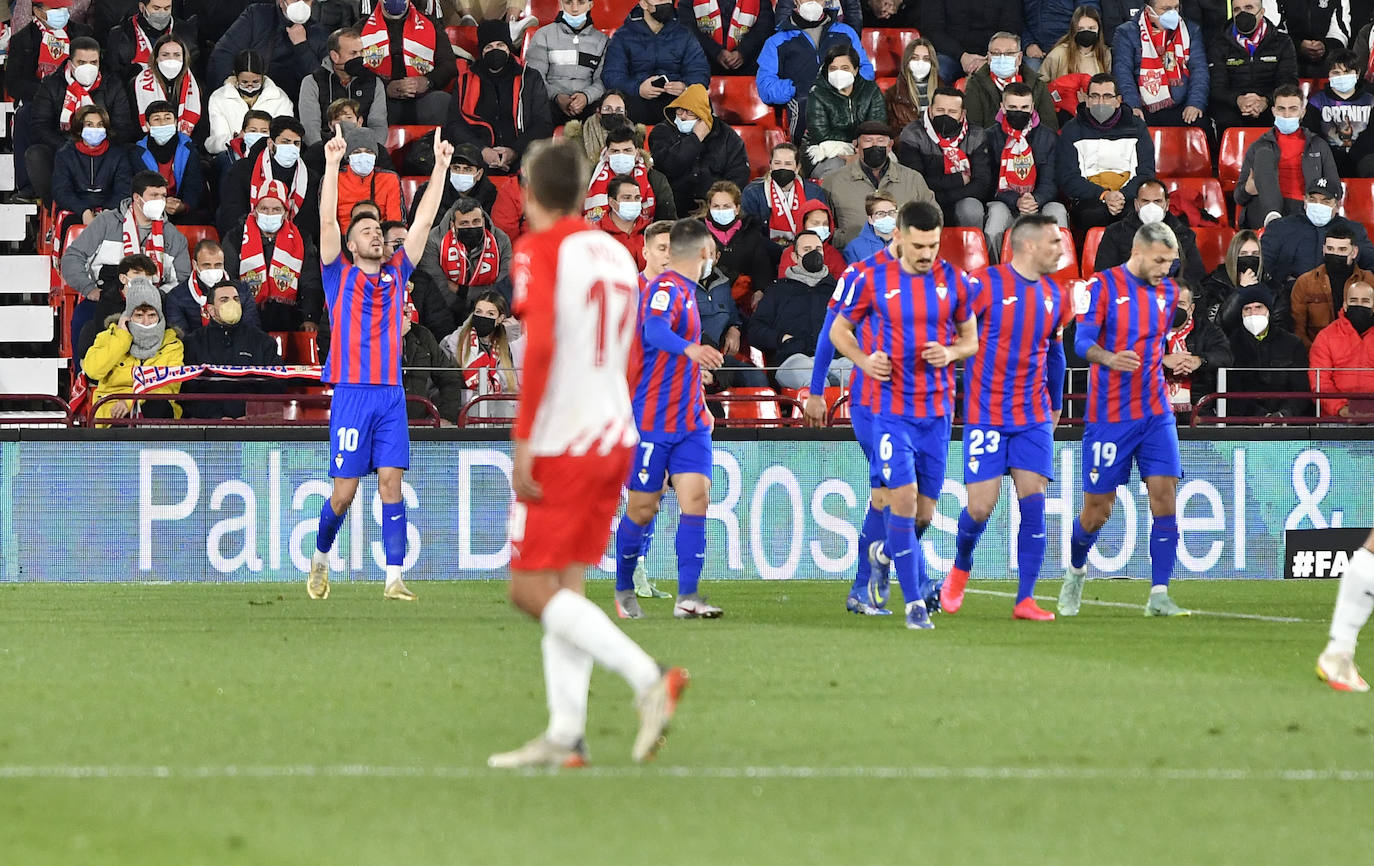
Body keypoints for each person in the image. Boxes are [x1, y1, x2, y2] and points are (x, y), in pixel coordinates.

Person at [487, 140, 689, 771]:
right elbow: (630, 355)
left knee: (528, 589)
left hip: (564, 439)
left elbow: (540, 345)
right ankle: (566, 734)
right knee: (566, 585)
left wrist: (524, 437)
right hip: (614, 432)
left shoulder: (539, 249)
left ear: (528, 188)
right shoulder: (616, 253)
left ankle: (648, 674)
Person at [306, 124, 453, 603]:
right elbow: (327, 222)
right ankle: (321, 557)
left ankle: (393, 578)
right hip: (351, 394)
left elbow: (426, 222)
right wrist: (330, 165)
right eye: (366, 231)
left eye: (379, 231)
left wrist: (442, 169)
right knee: (343, 495)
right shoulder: (337, 275)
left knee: (392, 483)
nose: (376, 236)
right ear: (350, 244)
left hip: (390, 395)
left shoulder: (397, 274)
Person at [830, 200, 979, 630]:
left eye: (933, 245)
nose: (926, 254)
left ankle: (884, 551)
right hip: (889, 411)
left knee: (923, 515)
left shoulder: (953, 281)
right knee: (903, 499)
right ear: (899, 235)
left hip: (937, 414)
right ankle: (914, 605)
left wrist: (950, 351)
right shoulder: (871, 278)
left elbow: (971, 340)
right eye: (918, 245)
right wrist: (862, 359)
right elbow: (839, 330)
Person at [1059, 220, 1190, 618]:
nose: (1166, 269)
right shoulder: (1101, 286)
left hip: (1154, 411)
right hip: (1109, 416)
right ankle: (1076, 572)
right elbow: (1081, 342)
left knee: (1165, 497)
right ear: (1139, 251)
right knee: (1098, 509)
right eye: (1160, 260)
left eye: (1171, 261)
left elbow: (1153, 343)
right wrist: (1110, 358)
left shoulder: (1168, 293)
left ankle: (1159, 595)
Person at [940, 214, 1069, 620]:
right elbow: (954, 334)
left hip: (1032, 416)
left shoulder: (1056, 295)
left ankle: (1025, 599)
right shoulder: (985, 285)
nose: (1061, 249)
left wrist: (1055, 401)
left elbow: (1055, 353)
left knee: (1034, 502)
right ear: (1028, 245)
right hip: (987, 414)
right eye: (1053, 242)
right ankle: (960, 569)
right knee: (980, 508)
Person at [612, 219, 727, 621]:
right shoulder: (664, 289)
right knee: (643, 509)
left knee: (696, 500)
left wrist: (697, 386)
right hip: (653, 422)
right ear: (702, 254)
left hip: (691, 421)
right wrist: (691, 351)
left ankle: (688, 597)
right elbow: (655, 331)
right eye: (711, 252)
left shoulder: (687, 292)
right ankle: (624, 587)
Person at [61, 171, 191, 348]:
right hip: (107, 295)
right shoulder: (106, 223)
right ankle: (84, 373)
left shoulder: (173, 236)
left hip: (156, 302)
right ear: (137, 198)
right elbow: (73, 257)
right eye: (154, 195)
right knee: (84, 323)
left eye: (163, 196)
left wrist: (155, 297)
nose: (160, 201)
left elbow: (181, 279)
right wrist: (89, 288)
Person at [23, 36, 138, 202]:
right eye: (82, 62)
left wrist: (99, 146)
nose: (88, 68)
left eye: (93, 62)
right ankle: (55, 206)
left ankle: (116, 206)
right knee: (36, 154)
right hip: (64, 149)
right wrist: (70, 147)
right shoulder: (52, 84)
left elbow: (123, 126)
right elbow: (40, 126)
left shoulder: (112, 84)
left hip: (105, 150)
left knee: (132, 152)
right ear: (70, 63)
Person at [443, 19, 555, 174]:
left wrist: (514, 151)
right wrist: (482, 151)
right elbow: (454, 125)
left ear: (509, 48)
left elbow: (543, 124)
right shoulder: (466, 80)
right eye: (489, 47)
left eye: (500, 45)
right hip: (477, 157)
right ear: (481, 52)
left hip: (523, 156)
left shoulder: (529, 77)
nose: (495, 50)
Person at [755, 0, 870, 143]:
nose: (812, 1)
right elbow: (766, 87)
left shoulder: (846, 33)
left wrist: (845, 81)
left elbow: (866, 71)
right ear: (795, 1)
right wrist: (798, 87)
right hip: (803, 113)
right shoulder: (777, 41)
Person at [222, 180, 326, 332]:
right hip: (246, 315)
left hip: (290, 317)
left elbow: (311, 282)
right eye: (264, 208)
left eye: (276, 209)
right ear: (255, 210)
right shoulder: (236, 237)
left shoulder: (302, 239)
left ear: (285, 213)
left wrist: (309, 317)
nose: (269, 214)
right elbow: (229, 280)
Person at [1056, 73, 1155, 228]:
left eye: (1107, 96)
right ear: (1086, 100)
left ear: (1118, 101)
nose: (1100, 102)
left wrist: (1121, 195)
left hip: (1128, 197)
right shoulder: (1071, 130)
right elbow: (1068, 178)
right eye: (1095, 96)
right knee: (1093, 214)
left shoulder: (1137, 127)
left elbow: (1146, 173)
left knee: (1134, 215)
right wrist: (1104, 195)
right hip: (1089, 199)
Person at [749, 230, 845, 388]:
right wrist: (782, 338)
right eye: (807, 250)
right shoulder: (777, 291)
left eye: (818, 249)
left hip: (836, 358)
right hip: (793, 359)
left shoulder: (838, 291)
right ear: (794, 257)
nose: (814, 254)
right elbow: (755, 330)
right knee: (817, 383)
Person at [1235, 85, 1341, 229]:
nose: (1286, 115)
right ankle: (1272, 216)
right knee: (1264, 153)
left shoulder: (1318, 145)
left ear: (1302, 112)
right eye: (1281, 109)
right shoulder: (1259, 146)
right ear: (1273, 111)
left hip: (1305, 208)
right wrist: (1248, 189)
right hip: (1263, 209)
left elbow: (1336, 190)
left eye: (1293, 109)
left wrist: (1316, 201)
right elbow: (1239, 197)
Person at [81, 277, 184, 424]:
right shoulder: (108, 337)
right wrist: (122, 338)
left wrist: (130, 402)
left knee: (158, 406)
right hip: (113, 409)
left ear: (160, 316)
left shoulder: (172, 343)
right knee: (120, 418)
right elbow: (93, 371)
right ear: (128, 316)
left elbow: (167, 388)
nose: (146, 322)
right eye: (139, 315)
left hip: (155, 409)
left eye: (152, 315)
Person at [984, 81, 1069, 260]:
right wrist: (1017, 201)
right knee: (995, 220)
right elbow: (988, 182)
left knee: (1058, 211)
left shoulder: (1048, 137)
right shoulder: (990, 136)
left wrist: (1035, 200)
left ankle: (1059, 273)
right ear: (1003, 107)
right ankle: (995, 274)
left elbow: (1051, 180)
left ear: (1032, 108)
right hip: (1004, 202)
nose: (1019, 112)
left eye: (1024, 107)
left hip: (1040, 203)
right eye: (1013, 107)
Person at [180, 281, 285, 419]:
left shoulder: (262, 341)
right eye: (224, 300)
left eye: (236, 299)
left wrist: (252, 415)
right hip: (208, 426)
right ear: (211, 310)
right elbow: (188, 389)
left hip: (253, 425)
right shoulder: (193, 343)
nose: (232, 304)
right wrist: (216, 417)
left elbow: (276, 384)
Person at [823, 120, 933, 248]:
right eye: (868, 140)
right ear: (856, 146)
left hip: (903, 256)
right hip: (852, 258)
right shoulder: (833, 182)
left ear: (890, 145)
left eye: (881, 140)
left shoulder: (913, 179)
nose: (875, 145)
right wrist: (847, 240)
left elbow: (933, 216)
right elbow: (822, 225)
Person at [896, 87, 994, 229]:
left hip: (962, 198)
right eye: (940, 110)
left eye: (952, 112)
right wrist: (958, 180)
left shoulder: (976, 135)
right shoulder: (913, 134)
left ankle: (970, 249)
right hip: (925, 199)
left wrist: (944, 195)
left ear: (962, 114)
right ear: (930, 110)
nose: (945, 116)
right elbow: (916, 182)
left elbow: (981, 184)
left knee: (971, 209)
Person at [602, 0, 710, 125]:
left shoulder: (685, 33)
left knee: (699, 106)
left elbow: (700, 71)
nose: (666, 3)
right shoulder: (623, 36)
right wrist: (638, 89)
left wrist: (685, 86)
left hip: (676, 100)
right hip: (636, 100)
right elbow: (612, 75)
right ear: (644, 4)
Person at [218, 116, 322, 244]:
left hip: (295, 245)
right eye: (285, 142)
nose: (291, 147)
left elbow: (310, 221)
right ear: (270, 143)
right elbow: (232, 212)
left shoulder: (309, 178)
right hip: (248, 242)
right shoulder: (243, 170)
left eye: (296, 143)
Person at [648, 83, 749, 213]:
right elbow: (666, 167)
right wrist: (695, 139)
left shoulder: (727, 136)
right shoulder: (662, 131)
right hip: (672, 206)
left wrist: (718, 204)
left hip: (714, 208)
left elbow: (738, 174)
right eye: (679, 110)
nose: (683, 116)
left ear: (703, 115)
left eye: (690, 112)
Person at [1261, 177, 1374, 291]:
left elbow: (1371, 264)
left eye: (1326, 201)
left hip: (1340, 297)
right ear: (1305, 200)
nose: (1318, 205)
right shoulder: (1280, 227)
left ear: (1337, 205)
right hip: (1288, 296)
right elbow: (1263, 264)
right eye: (1313, 199)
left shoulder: (1354, 230)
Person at [1112, 0, 1209, 128]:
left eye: (1176, 8)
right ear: (1148, 10)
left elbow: (1199, 70)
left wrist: (1195, 103)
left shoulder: (1190, 30)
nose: (1173, 13)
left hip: (1182, 106)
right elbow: (1123, 73)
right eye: (1166, 9)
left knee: (1200, 124)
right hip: (1144, 107)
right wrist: (1132, 107)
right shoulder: (1127, 32)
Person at [357, 0, 455, 126]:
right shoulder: (362, 28)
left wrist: (427, 81)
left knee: (442, 101)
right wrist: (386, 87)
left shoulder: (431, 24)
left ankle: (430, 144)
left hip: (422, 98)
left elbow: (448, 64)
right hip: (382, 100)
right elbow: (355, 67)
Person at [209, 0, 329, 102]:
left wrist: (302, 46)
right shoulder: (257, 16)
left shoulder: (319, 33)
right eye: (295, 0)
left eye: (306, 0)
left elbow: (322, 83)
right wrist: (230, 97)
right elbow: (222, 55)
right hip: (249, 98)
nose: (301, 5)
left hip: (294, 107)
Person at [1094, 179, 1204, 287]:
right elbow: (1104, 275)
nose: (1151, 207)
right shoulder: (1115, 233)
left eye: (1157, 201)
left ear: (1167, 204)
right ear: (1136, 204)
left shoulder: (1184, 234)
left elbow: (1194, 278)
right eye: (1145, 201)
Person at [421, 196, 514, 321]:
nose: (471, 227)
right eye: (464, 223)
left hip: (490, 310)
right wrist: (463, 309)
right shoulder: (434, 240)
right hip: (446, 309)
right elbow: (437, 285)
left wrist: (463, 290)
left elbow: (503, 286)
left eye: (476, 221)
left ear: (483, 220)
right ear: (453, 225)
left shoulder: (501, 240)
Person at [1206, 0, 1297, 130]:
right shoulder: (1219, 43)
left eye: (1249, 8)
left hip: (1270, 103)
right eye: (1237, 10)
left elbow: (1288, 82)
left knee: (1288, 116)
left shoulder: (1282, 42)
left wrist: (1265, 101)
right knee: (1226, 120)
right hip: (1233, 105)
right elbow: (1217, 87)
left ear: (1262, 12)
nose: (1243, 13)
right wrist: (1238, 100)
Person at [1226, 283, 1312, 420]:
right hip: (1246, 423)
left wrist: (1284, 414)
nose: (1253, 313)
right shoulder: (1230, 345)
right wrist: (1260, 416)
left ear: (1268, 310)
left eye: (1258, 307)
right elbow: (1232, 392)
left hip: (1287, 422)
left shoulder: (1292, 344)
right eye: (1247, 309)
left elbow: (1301, 388)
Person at [805, 41, 886, 177]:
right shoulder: (817, 93)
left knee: (889, 165)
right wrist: (855, 144)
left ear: (855, 70)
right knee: (837, 172)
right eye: (833, 68)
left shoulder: (871, 90)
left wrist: (859, 152)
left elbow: (877, 127)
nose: (838, 73)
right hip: (827, 152)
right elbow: (822, 134)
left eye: (845, 68)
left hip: (867, 147)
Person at [299, 27, 389, 149]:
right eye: (353, 53)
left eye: (362, 52)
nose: (360, 58)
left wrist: (369, 151)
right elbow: (310, 126)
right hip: (324, 151)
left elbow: (378, 125)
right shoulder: (313, 82)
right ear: (335, 56)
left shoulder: (374, 82)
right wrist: (324, 152)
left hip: (364, 150)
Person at [51, 104, 131, 239]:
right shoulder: (65, 154)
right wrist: (84, 211)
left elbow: (124, 188)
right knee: (70, 225)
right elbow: (61, 190)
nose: (95, 129)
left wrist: (108, 211)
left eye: (100, 125)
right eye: (90, 124)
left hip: (110, 208)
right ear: (79, 129)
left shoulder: (118, 154)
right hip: (76, 208)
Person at [441, 290, 525, 410]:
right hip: (464, 413)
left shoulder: (510, 345)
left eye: (490, 314)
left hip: (503, 416)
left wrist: (516, 341)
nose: (483, 317)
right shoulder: (452, 343)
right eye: (479, 312)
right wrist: (473, 397)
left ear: (500, 319)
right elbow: (444, 386)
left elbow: (524, 384)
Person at [741, 142, 831, 253]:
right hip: (766, 253)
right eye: (777, 163)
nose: (782, 168)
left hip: (806, 252)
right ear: (770, 165)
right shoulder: (753, 192)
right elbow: (750, 234)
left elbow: (822, 227)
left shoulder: (814, 193)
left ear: (797, 167)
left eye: (788, 164)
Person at [526, 0, 609, 121]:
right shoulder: (543, 35)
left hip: (588, 104)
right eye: (568, 2)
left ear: (590, 5)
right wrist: (556, 96)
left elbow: (603, 80)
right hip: (549, 102)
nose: (575, 9)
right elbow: (535, 77)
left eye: (581, 3)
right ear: (560, 5)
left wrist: (586, 97)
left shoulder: (602, 41)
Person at [1291, 226, 1371, 347]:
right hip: (1316, 354)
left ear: (1354, 252)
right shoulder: (1305, 282)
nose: (1335, 254)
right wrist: (1318, 353)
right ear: (1323, 249)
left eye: (1342, 249)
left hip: (1360, 356)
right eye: (1330, 248)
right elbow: (1298, 330)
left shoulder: (1370, 281)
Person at [699, 181, 774, 309]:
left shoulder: (751, 233)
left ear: (737, 208)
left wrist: (760, 291)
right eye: (716, 206)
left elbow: (762, 269)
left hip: (744, 299)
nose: (721, 210)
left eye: (726, 206)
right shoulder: (697, 232)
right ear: (709, 208)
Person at [165, 238, 262, 337]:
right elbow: (180, 337)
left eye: (218, 265)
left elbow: (252, 330)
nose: (212, 270)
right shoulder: (176, 297)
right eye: (206, 265)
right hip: (197, 349)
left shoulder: (242, 290)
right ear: (194, 264)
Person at [963, 32, 1059, 132]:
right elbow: (973, 129)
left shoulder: (1038, 85)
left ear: (1019, 58)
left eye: (1009, 53)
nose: (1002, 58)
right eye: (996, 53)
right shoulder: (975, 85)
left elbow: (1050, 128)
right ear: (989, 58)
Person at [206, 51, 296, 155]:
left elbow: (285, 135)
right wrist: (235, 139)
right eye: (244, 82)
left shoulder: (280, 99)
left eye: (255, 82)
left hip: (270, 155)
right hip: (232, 155)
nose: (250, 86)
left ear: (263, 75)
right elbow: (216, 140)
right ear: (235, 75)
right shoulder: (219, 98)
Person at [74, 254, 160, 362]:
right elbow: (103, 341)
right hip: (118, 360)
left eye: (148, 275)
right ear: (123, 278)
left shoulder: (159, 300)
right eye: (137, 273)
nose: (143, 279)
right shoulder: (107, 302)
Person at [131, 99, 205, 223]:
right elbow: (138, 187)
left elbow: (194, 183)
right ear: (148, 125)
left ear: (175, 122)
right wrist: (160, 204)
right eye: (156, 119)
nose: (163, 123)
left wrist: (184, 206)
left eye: (167, 118)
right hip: (149, 208)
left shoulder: (189, 148)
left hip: (181, 207)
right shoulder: (137, 152)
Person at [1162, 282, 1232, 412]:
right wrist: (1162, 360)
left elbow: (1225, 356)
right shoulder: (1147, 331)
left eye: (1181, 304)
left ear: (1191, 309)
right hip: (1153, 410)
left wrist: (1200, 360)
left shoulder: (1207, 330)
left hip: (1199, 409)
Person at [7, 0, 93, 106]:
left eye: (64, 7)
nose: (62, 12)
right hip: (37, 102)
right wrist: (49, 93)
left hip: (79, 98)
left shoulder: (83, 34)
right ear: (37, 11)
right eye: (56, 9)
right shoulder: (22, 40)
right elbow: (13, 84)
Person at [584, 126, 676, 223]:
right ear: (606, 154)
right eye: (615, 151)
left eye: (627, 150)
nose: (621, 155)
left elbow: (667, 221)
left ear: (637, 153)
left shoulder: (655, 179)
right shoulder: (590, 178)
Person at [1309, 280, 1374, 418]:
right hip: (1336, 417)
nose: (1359, 305)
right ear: (1345, 305)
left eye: (1365, 301)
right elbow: (1320, 382)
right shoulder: (1326, 336)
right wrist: (1341, 409)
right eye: (1354, 301)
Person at [1198, 229, 1281, 333]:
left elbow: (1280, 326)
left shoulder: (1272, 285)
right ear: (1234, 256)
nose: (1250, 258)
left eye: (1255, 254)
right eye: (1243, 254)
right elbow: (1216, 324)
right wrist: (1241, 292)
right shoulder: (1214, 284)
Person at [920, 0, 1023, 84]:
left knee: (1017, 71)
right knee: (938, 72)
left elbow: (1010, 28)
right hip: (952, 55)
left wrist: (988, 58)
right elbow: (933, 30)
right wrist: (962, 56)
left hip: (994, 55)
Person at [1307, 50, 1374, 177]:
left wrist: (1356, 153)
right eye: (1336, 72)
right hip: (1327, 156)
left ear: (1357, 73)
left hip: (1364, 156)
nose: (1342, 77)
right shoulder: (1316, 101)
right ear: (1329, 74)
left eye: (1347, 72)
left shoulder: (1371, 100)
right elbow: (1312, 133)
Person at [1039, 6, 1111, 123]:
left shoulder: (1105, 54)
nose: (1086, 32)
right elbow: (1041, 84)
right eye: (1080, 29)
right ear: (1073, 30)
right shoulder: (1058, 53)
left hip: (1096, 113)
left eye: (1092, 28)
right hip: (1062, 114)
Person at [400, 296, 465, 424]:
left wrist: (446, 415)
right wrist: (394, 336)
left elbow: (450, 377)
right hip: (382, 425)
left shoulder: (422, 335)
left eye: (406, 304)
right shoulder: (369, 337)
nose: (406, 309)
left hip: (419, 424)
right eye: (399, 305)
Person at [102, 0, 198, 84]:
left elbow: (194, 69)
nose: (162, 13)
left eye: (167, 8)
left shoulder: (186, 32)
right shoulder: (120, 34)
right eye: (156, 8)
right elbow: (113, 76)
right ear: (142, 7)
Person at [130, 35, 202, 141]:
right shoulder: (136, 84)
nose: (171, 60)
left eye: (177, 55)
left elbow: (201, 127)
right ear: (156, 58)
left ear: (184, 58)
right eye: (165, 55)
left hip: (186, 146)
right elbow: (132, 124)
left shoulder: (196, 86)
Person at [333, 128, 404, 231]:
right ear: (348, 156)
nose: (363, 156)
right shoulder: (333, 179)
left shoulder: (390, 179)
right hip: (342, 241)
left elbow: (395, 224)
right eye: (356, 152)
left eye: (369, 152)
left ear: (375, 156)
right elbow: (327, 222)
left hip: (380, 239)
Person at [408, 143, 501, 221]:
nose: (461, 173)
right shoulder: (430, 191)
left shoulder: (490, 196)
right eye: (456, 168)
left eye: (467, 169)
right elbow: (414, 226)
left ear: (479, 174)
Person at [680, 0, 773, 76]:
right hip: (704, 64)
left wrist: (743, 51)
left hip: (747, 64)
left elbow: (764, 27)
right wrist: (716, 52)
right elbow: (687, 27)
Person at [1280, 0, 1352, 79]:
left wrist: (1324, 47)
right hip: (1287, 60)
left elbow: (1341, 33)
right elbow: (1274, 31)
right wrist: (1298, 46)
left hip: (1326, 63)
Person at [592, 174, 653, 267]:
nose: (633, 202)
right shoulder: (596, 233)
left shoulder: (650, 232)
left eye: (637, 198)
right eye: (627, 198)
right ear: (612, 202)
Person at [563, 91, 638, 164]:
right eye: (607, 109)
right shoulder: (579, 136)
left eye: (619, 110)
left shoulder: (635, 134)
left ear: (625, 114)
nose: (613, 113)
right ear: (598, 111)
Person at [884, 37, 939, 137]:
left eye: (926, 59)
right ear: (907, 61)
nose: (920, 63)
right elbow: (893, 133)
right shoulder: (893, 95)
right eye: (915, 58)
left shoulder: (944, 93)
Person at [842, 190, 896, 264]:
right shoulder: (854, 248)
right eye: (880, 213)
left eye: (891, 212)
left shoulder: (908, 242)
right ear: (870, 219)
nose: (887, 217)